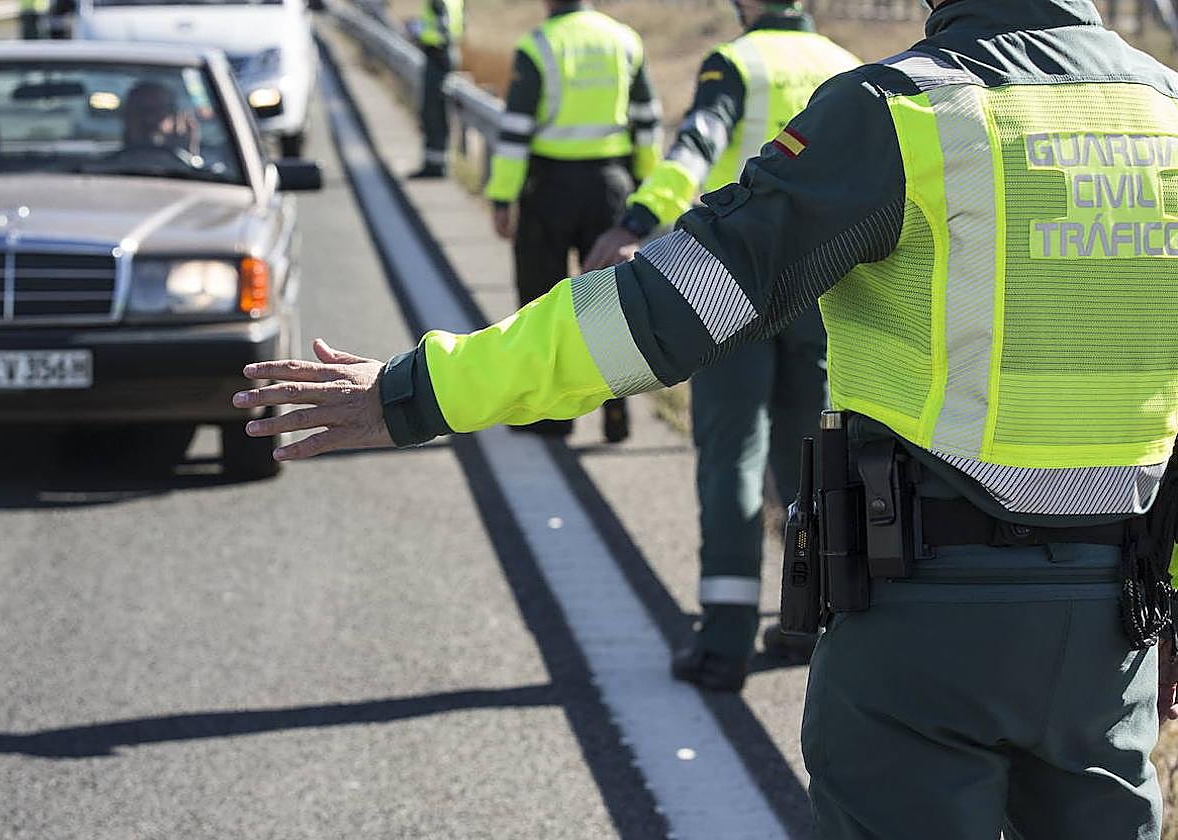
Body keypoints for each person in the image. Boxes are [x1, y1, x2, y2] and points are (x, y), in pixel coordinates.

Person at [235, 0, 1178, 835]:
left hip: (923, 627)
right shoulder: (1168, 113)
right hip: (1113, 636)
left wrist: (419, 391)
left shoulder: (907, 110)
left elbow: (662, 312)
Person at [584, 0, 859, 691]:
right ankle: (808, 624)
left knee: (733, 454)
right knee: (812, 462)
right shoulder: (849, 68)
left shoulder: (736, 63)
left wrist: (635, 222)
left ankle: (725, 645)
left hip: (733, 289)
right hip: (826, 292)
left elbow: (693, 151)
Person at [484, 0, 662, 441]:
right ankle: (616, 416)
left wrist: (502, 196)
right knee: (610, 307)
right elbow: (647, 121)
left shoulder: (539, 45)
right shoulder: (624, 40)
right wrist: (645, 187)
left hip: (549, 188)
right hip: (612, 187)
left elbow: (515, 131)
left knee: (543, 301)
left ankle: (552, 417)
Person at [410, 0, 464, 178]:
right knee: (438, 113)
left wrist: (419, 33)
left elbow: (443, 28)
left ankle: (434, 167)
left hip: (437, 57)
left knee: (433, 114)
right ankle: (436, 164)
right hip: (447, 55)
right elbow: (462, 25)